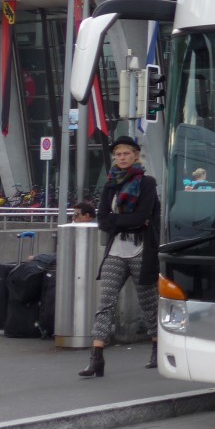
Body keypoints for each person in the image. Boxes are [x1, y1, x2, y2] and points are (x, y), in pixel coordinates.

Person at [78, 135, 161, 378]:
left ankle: (157, 348)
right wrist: (124, 221)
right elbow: (102, 219)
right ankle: (96, 358)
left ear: (136, 156)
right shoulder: (110, 184)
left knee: (148, 302)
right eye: (118, 154)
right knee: (105, 303)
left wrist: (119, 221)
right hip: (116, 250)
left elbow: (143, 216)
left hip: (141, 249)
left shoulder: (147, 183)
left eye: (126, 153)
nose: (122, 158)